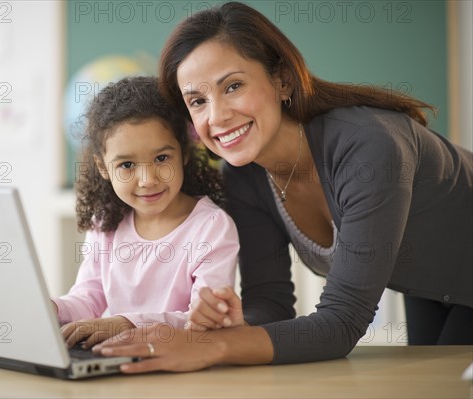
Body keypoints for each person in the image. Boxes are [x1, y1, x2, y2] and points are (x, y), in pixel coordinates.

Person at [93, 2, 473, 371]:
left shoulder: (368, 147)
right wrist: (232, 324)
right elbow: (270, 305)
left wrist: (208, 347)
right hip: (432, 282)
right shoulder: (243, 178)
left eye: (234, 86)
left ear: (282, 80)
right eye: (197, 100)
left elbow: (342, 323)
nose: (218, 116)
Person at [52, 76, 239, 349]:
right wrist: (50, 309)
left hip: (182, 367)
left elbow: (202, 321)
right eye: (127, 164)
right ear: (103, 167)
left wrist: (127, 322)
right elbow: (88, 298)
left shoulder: (211, 226)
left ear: (184, 153)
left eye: (161, 158)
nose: (147, 179)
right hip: (117, 360)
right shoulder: (105, 222)